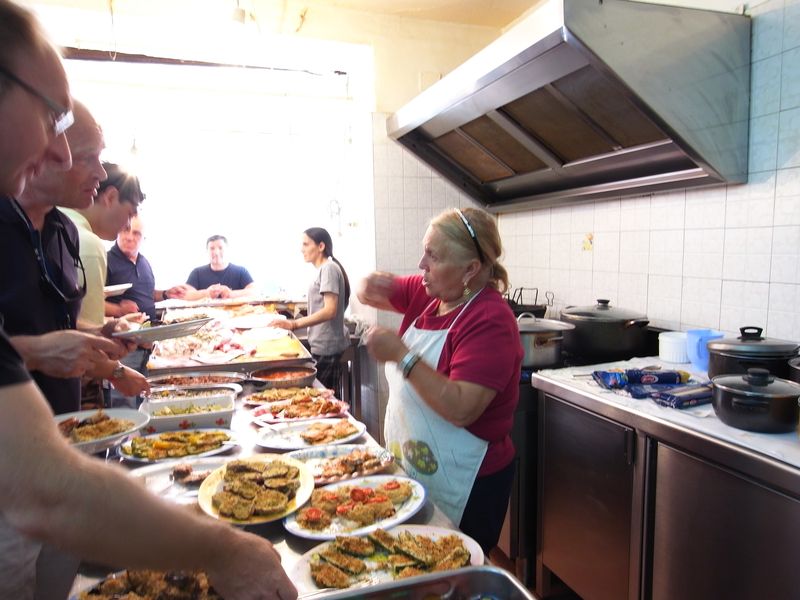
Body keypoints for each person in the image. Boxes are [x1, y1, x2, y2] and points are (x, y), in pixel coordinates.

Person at [0, 3, 297, 599]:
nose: (61, 156)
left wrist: (77, 353)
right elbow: (43, 490)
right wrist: (225, 550)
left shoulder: (55, 229)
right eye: (53, 117)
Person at [358, 206, 522, 554]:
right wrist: (368, 284)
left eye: (432, 256)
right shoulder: (429, 292)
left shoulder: (490, 319)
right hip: (415, 467)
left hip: (467, 482)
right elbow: (368, 293)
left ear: (470, 269)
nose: (421, 265)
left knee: (453, 574)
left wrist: (402, 354)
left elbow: (461, 407)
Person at [0, 93, 134, 413]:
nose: (101, 174)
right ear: (39, 152)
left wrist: (97, 335)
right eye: (88, 157)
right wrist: (34, 353)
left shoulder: (65, 230)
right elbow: (41, 345)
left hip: (63, 430)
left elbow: (54, 331)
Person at [62, 160, 151, 402]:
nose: (128, 225)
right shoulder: (87, 243)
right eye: (130, 213)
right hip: (71, 390)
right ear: (110, 197)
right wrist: (119, 372)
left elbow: (58, 327)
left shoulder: (56, 224)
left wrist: (106, 328)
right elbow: (86, 350)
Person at [275, 227, 350, 392]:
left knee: (323, 399)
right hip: (322, 345)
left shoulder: (328, 268)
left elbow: (330, 310)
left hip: (327, 346)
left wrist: (295, 324)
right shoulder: (325, 269)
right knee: (323, 397)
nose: (302, 249)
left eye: (306, 244)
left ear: (321, 246)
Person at [106, 214, 189, 323]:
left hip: (150, 328)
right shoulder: (105, 260)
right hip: (123, 333)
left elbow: (148, 294)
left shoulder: (144, 262)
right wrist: (118, 310)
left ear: (143, 239)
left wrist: (166, 294)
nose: (130, 237)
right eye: (125, 230)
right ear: (117, 232)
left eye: (136, 234)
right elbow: (88, 302)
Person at [183, 234, 256, 299]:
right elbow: (185, 294)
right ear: (207, 251)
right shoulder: (197, 272)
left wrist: (231, 294)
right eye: (212, 248)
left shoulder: (241, 271)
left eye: (220, 248)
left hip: (237, 313)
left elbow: (254, 291)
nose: (216, 252)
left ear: (227, 249)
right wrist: (206, 293)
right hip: (204, 314)